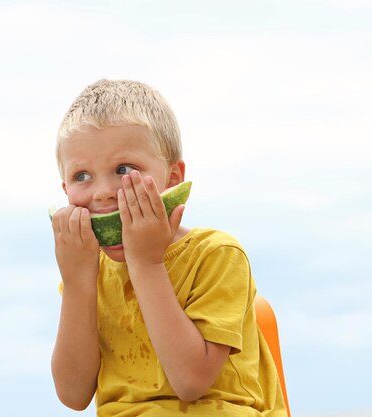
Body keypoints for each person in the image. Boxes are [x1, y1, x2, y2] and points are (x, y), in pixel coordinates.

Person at [50, 79, 286, 416]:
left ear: (173, 178)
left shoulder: (218, 255)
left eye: (123, 170)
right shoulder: (88, 276)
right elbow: (73, 395)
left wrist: (146, 264)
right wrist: (76, 282)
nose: (102, 192)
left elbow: (190, 381)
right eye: (82, 176)